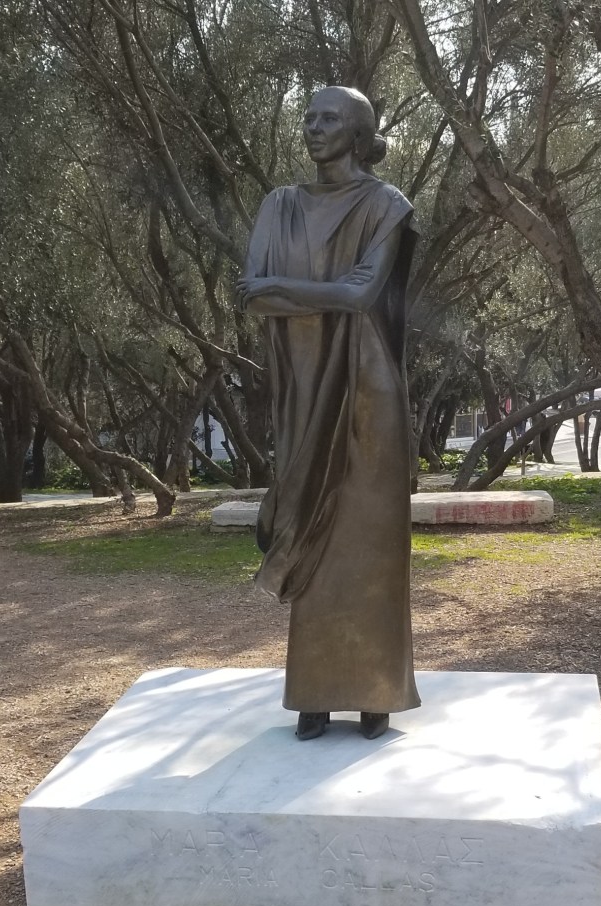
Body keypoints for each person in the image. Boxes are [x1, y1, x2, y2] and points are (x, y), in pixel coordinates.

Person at [236, 86, 420, 741]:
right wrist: (308, 294)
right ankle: (314, 695)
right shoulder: (279, 205)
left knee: (370, 543)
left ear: (359, 134)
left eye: (329, 118)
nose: (313, 127)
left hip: (370, 390)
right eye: (309, 116)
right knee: (312, 535)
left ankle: (376, 694)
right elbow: (250, 296)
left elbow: (363, 293)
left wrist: (279, 286)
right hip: (304, 386)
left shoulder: (386, 204)